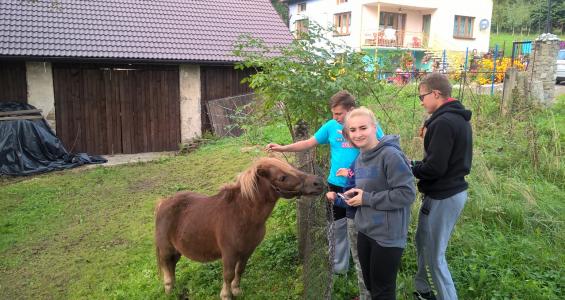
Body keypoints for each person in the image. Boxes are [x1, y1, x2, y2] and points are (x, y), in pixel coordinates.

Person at [266, 91, 384, 299]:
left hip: (359, 186)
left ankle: (361, 268)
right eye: (333, 113)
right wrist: (282, 147)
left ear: (350, 110)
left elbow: (382, 150)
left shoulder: (363, 127)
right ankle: (339, 267)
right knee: (336, 225)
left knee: (356, 227)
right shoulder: (331, 127)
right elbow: (308, 143)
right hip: (335, 185)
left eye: (338, 113)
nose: (335, 117)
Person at [342, 107, 416, 300]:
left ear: (374, 127)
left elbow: (406, 194)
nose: (358, 134)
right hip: (365, 230)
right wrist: (355, 195)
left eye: (363, 128)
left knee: (383, 292)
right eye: (353, 130)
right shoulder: (360, 158)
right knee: (371, 286)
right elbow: (370, 189)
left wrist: (366, 198)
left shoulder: (390, 155)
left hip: (387, 236)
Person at [411, 73, 473, 300]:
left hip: (444, 195)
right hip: (446, 192)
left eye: (422, 96)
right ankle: (423, 290)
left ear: (436, 94)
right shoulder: (454, 117)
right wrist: (416, 164)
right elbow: (437, 162)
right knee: (422, 242)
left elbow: (435, 168)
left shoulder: (445, 122)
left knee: (433, 255)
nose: (421, 101)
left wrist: (409, 168)